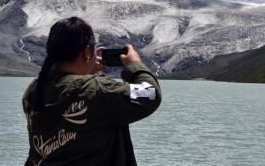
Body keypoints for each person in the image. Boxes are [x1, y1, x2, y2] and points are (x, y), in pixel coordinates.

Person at [22, 17, 161, 166]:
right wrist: (134, 64)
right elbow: (150, 92)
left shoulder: (35, 89)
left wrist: (84, 71)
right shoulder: (97, 91)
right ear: (87, 51)